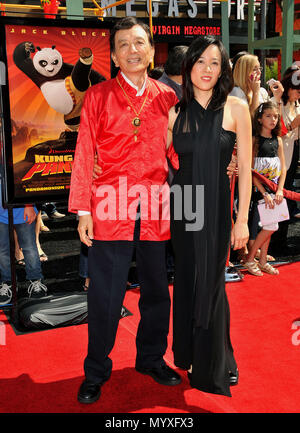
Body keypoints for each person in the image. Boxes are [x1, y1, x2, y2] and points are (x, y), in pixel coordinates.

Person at [68, 17, 181, 404]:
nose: (132, 50)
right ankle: (95, 370)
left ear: (151, 51)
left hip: (155, 208)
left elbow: (177, 153)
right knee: (105, 295)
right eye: (123, 45)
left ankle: (151, 358)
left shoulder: (168, 98)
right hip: (108, 208)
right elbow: (85, 153)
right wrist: (83, 208)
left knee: (156, 293)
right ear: (114, 55)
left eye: (139, 43)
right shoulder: (97, 97)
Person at [167, 35, 252, 397]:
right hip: (184, 206)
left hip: (216, 208)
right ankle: (189, 353)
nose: (207, 69)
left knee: (213, 286)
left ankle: (214, 365)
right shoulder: (174, 112)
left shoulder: (236, 109)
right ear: (189, 67)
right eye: (200, 61)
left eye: (214, 63)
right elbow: (156, 161)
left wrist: (243, 219)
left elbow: (246, 168)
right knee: (188, 281)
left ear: (223, 69)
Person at [244, 102, 286, 276]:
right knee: (270, 226)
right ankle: (249, 259)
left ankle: (261, 262)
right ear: (260, 119)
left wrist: (280, 190)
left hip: (275, 191)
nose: (273, 119)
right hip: (259, 191)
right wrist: (263, 192)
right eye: (268, 116)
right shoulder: (254, 140)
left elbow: (283, 168)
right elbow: (250, 170)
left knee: (271, 225)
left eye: (275, 116)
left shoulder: (278, 140)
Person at [0, 177, 48, 304]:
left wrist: (29, 204)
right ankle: (8, 281)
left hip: (22, 209)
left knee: (29, 247)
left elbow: (27, 180)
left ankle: (36, 280)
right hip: (1, 212)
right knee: (2, 250)